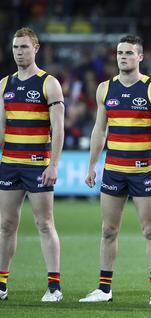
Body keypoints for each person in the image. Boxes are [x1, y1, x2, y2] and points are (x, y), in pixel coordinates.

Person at [80, 35, 151, 305]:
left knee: (149, 229)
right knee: (108, 230)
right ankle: (104, 289)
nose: (123, 57)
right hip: (113, 170)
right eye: (120, 52)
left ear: (140, 57)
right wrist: (92, 165)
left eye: (129, 53)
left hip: (143, 170)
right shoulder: (105, 89)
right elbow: (99, 129)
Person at [0, 28, 64, 302]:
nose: (19, 52)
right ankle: (2, 283)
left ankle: (54, 287)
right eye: (16, 47)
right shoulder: (4, 84)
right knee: (6, 225)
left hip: (38, 165)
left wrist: (53, 165)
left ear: (36, 48)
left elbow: (59, 130)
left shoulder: (49, 83)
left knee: (44, 223)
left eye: (24, 47)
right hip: (9, 164)